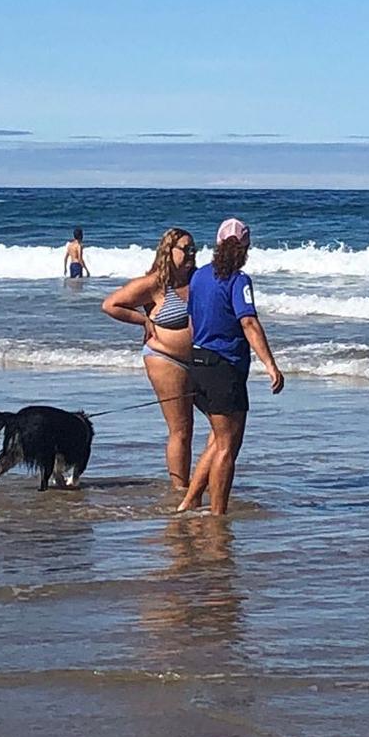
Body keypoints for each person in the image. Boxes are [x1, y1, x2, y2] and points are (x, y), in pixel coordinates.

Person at [177, 218, 283, 516]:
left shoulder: (198, 277)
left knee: (217, 438)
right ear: (245, 248)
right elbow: (248, 322)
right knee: (228, 444)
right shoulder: (239, 281)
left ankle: (190, 500)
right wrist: (271, 365)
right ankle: (217, 514)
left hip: (198, 362)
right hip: (225, 367)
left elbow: (192, 320)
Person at [101, 227, 198, 489]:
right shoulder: (155, 283)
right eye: (185, 249)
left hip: (200, 361)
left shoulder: (198, 280)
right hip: (165, 359)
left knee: (221, 423)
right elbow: (111, 305)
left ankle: (201, 482)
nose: (191, 254)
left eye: (194, 249)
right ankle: (180, 488)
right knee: (181, 428)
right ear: (169, 251)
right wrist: (143, 319)